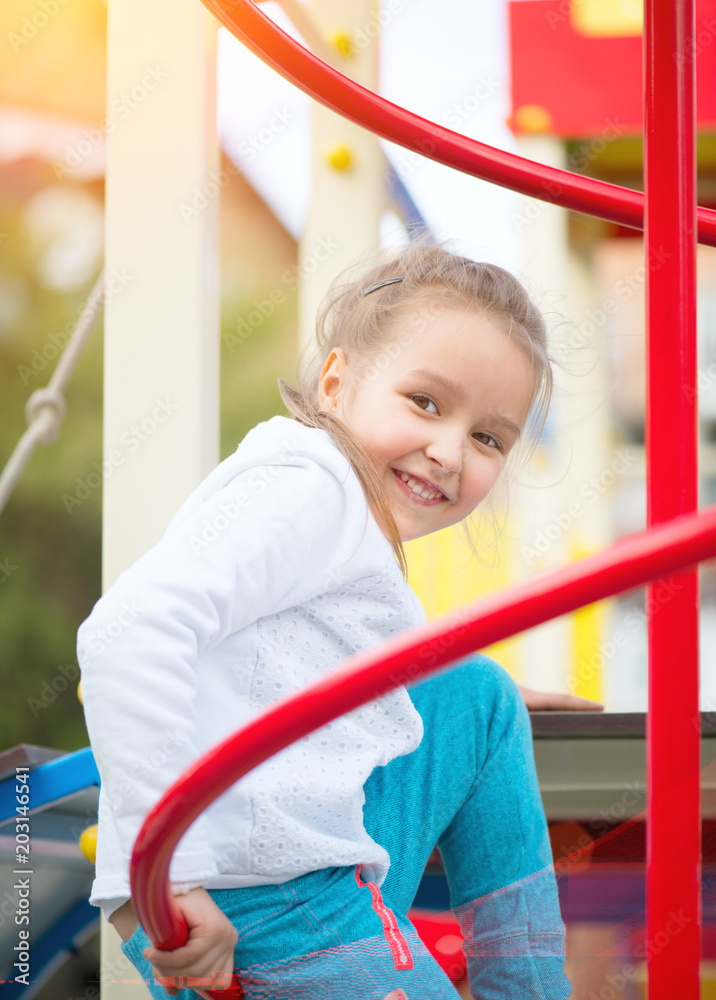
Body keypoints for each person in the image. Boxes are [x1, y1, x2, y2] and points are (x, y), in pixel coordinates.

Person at [79, 243, 586, 1000]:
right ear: (336, 381)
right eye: (425, 402)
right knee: (473, 690)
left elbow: (291, 662)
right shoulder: (311, 487)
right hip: (261, 898)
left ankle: (529, 985)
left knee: (477, 698)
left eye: (488, 438)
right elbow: (127, 633)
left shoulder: (340, 509)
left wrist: (427, 687)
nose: (449, 451)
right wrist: (170, 876)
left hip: (282, 864)